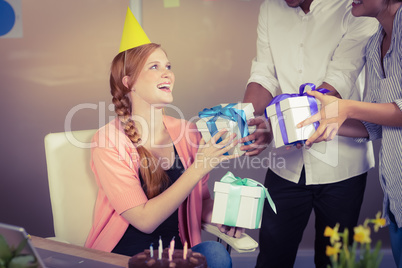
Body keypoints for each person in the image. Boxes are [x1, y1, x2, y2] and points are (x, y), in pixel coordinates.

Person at [84, 9, 242, 268]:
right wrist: (199, 167)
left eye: (168, 66)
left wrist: (224, 216)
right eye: (154, 67)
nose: (167, 73)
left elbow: (199, 202)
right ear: (129, 82)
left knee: (215, 253)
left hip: (177, 255)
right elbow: (144, 221)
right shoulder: (108, 141)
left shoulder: (188, 132)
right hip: (126, 257)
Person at [239, 0, 378, 267]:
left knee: (335, 261)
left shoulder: (356, 6)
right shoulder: (270, 7)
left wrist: (276, 127)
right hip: (286, 164)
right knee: (271, 258)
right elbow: (264, 73)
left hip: (343, 165)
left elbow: (337, 81)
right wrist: (239, 119)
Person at [298, 1, 402, 266]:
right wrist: (320, 122)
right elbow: (375, 124)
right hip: (396, 199)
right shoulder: (375, 43)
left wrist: (346, 106)